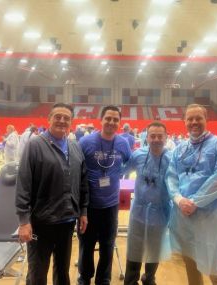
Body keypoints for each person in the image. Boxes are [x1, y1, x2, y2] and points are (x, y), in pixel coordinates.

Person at [15, 103, 89, 285]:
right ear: (49, 119)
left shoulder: (75, 147)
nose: (62, 120)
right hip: (41, 222)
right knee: (37, 274)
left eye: (66, 118)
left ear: (71, 122)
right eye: (58, 116)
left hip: (67, 221)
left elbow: (82, 182)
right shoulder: (35, 145)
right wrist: (24, 221)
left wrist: (84, 211)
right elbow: (23, 183)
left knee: (63, 273)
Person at [166, 104, 217, 285]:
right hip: (184, 217)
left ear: (207, 120)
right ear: (184, 122)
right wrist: (179, 199)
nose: (194, 122)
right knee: (191, 263)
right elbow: (171, 176)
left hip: (211, 216)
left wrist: (195, 202)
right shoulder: (179, 149)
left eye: (199, 118)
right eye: (190, 119)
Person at [77, 105, 132, 285]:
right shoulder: (86, 142)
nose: (111, 122)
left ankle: (104, 279)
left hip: (111, 204)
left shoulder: (123, 143)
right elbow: (76, 170)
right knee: (86, 244)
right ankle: (84, 277)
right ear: (101, 120)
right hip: (89, 205)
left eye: (115, 119)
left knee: (108, 245)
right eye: (108, 118)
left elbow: (129, 163)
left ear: (119, 122)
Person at [123, 121, 172, 285]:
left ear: (166, 138)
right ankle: (131, 280)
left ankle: (149, 278)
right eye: (153, 136)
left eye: (160, 136)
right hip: (139, 209)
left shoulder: (172, 159)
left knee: (155, 247)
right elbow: (123, 170)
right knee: (134, 246)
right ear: (147, 137)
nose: (156, 139)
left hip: (161, 211)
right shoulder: (138, 155)